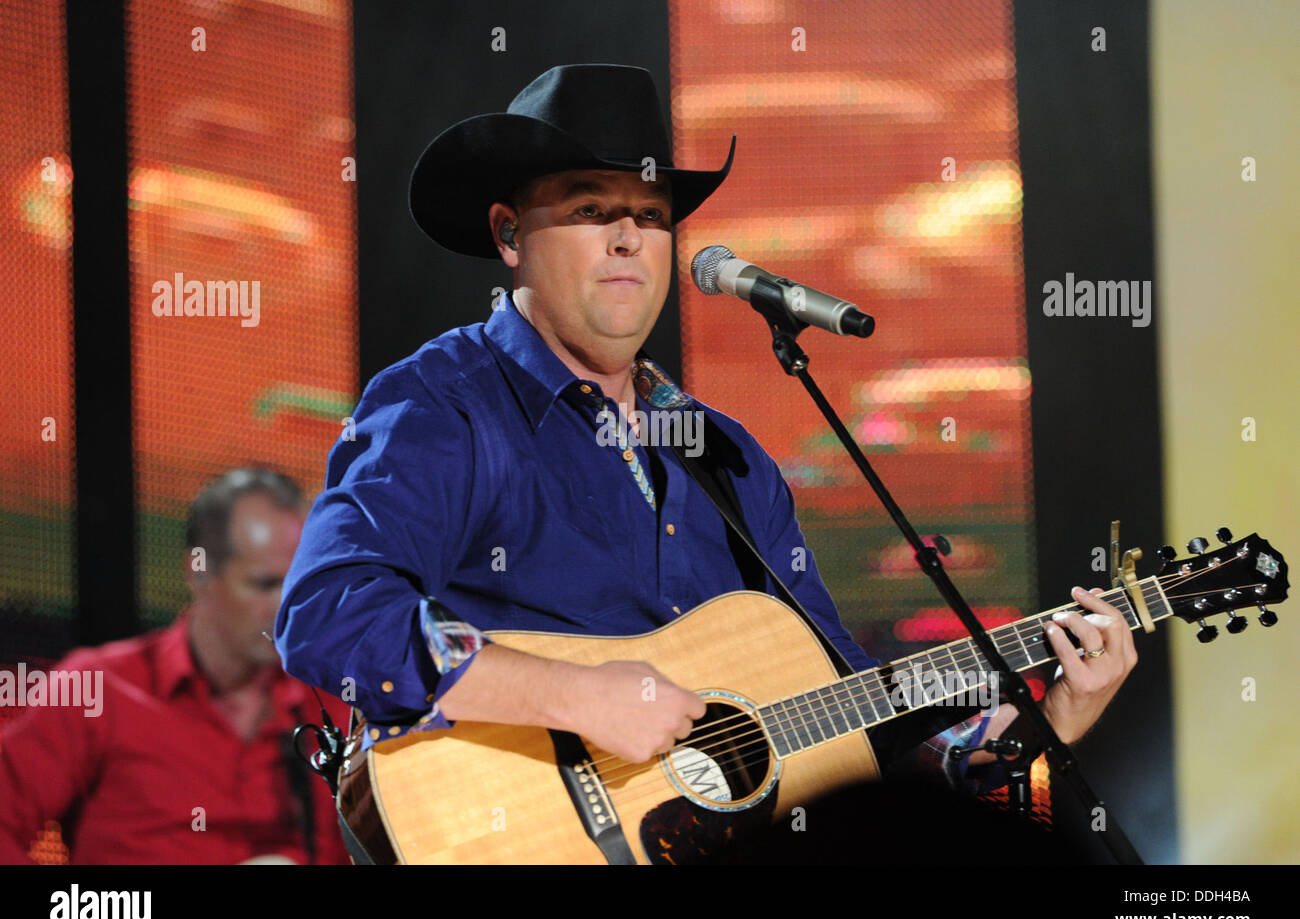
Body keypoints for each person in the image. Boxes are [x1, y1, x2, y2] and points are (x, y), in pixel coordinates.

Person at [275, 64, 1136, 857]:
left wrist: (1052, 717)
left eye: (650, 216)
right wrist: (575, 696)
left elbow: (850, 725)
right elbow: (330, 613)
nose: (628, 239)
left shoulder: (728, 456)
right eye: (588, 209)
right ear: (509, 234)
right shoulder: (442, 403)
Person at [0, 468, 351, 864]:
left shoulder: (333, 704)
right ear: (198, 571)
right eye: (265, 584)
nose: (288, 607)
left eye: (298, 584)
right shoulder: (96, 689)